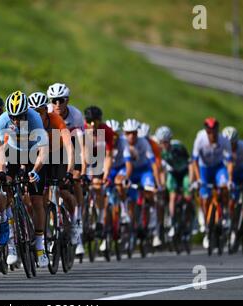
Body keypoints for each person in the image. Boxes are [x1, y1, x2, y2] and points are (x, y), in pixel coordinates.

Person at [0, 90, 50, 268]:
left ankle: (40, 247)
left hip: (33, 152)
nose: (17, 121)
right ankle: (11, 243)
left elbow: (43, 150)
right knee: (6, 194)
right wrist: (2, 170)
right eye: (14, 117)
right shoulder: (3, 120)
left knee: (36, 199)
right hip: (12, 152)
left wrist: (34, 171)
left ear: (27, 113)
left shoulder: (35, 119)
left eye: (20, 117)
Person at [28, 92, 81, 252]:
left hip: (59, 155)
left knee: (64, 192)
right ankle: (45, 234)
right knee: (40, 200)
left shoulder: (56, 120)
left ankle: (73, 224)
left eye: (40, 111)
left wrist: (70, 171)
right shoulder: (28, 122)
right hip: (39, 156)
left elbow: (69, 147)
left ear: (46, 110)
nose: (37, 115)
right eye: (33, 111)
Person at [47, 83, 86, 242]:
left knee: (75, 181)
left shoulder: (76, 116)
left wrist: (81, 169)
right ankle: (52, 218)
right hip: (54, 148)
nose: (57, 105)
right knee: (50, 186)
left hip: (73, 148)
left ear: (67, 100)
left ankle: (77, 219)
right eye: (54, 100)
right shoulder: (47, 112)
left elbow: (82, 146)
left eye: (61, 101)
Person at [118, 119, 162, 246]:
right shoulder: (122, 142)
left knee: (149, 191)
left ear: (138, 133)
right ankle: (128, 223)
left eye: (134, 133)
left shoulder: (143, 143)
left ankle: (153, 228)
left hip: (144, 171)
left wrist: (157, 183)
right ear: (124, 133)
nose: (131, 136)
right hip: (129, 171)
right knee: (129, 199)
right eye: (128, 133)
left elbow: (153, 164)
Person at [192, 117, 233, 249]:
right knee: (204, 198)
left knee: (224, 186)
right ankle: (206, 225)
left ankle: (225, 212)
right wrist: (198, 179)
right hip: (204, 169)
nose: (212, 135)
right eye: (209, 132)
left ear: (217, 131)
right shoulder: (200, 139)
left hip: (218, 168)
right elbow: (194, 161)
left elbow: (230, 162)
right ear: (206, 131)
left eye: (214, 132)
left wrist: (230, 180)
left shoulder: (224, 140)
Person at [83, 106, 114, 252]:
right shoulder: (82, 128)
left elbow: (108, 155)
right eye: (90, 121)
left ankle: (100, 219)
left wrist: (105, 175)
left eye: (95, 121)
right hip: (85, 158)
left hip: (100, 160)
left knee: (97, 186)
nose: (93, 125)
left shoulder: (106, 131)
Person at [155, 126, 192, 238]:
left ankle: (188, 221)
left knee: (187, 195)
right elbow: (160, 170)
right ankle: (172, 219)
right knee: (172, 195)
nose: (164, 145)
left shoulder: (179, 147)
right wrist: (161, 184)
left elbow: (190, 163)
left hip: (184, 172)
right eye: (161, 142)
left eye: (166, 142)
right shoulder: (159, 152)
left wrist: (191, 180)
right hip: (172, 174)